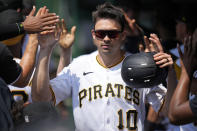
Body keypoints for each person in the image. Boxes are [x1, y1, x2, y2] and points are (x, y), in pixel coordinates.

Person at [32, 2, 172, 131]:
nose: (106, 38)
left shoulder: (140, 66)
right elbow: (41, 98)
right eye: (100, 33)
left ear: (123, 35)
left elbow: (168, 112)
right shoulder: (79, 65)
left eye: (112, 34)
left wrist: (169, 73)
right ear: (93, 35)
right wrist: (45, 50)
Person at [168, 28, 197, 125]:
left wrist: (186, 70)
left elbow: (174, 116)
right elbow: (167, 112)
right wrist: (171, 69)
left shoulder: (185, 67)